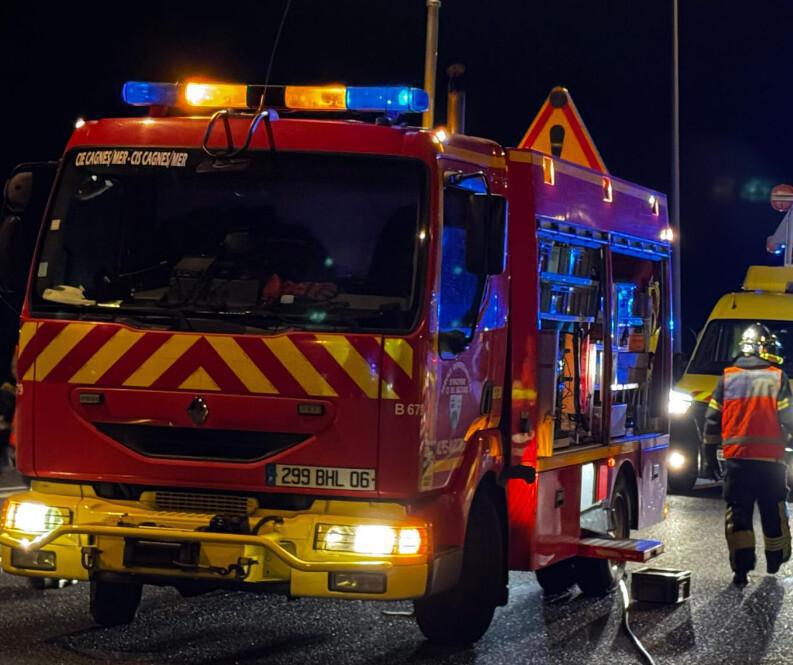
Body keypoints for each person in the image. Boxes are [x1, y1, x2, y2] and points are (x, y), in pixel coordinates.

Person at [703, 323, 793, 586]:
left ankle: (741, 570)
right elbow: (788, 418)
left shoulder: (727, 377)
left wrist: (709, 455)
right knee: (773, 509)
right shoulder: (777, 377)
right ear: (763, 348)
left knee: (738, 514)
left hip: (737, 461)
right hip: (770, 461)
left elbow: (712, 420)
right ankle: (775, 557)